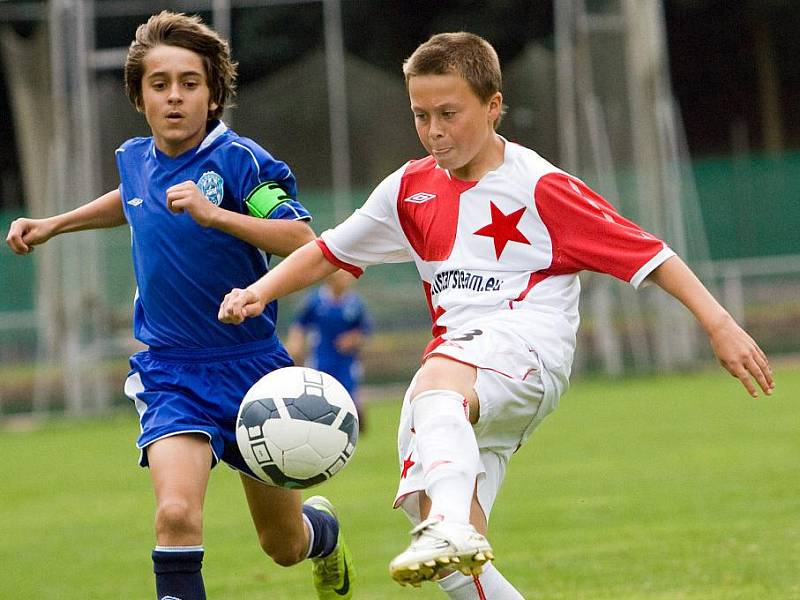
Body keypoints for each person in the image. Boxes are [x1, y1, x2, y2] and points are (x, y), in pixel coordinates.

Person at [218, 31, 774, 599]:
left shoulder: (540, 186)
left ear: (493, 106)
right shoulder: (408, 190)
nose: (434, 131)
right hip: (466, 374)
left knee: (435, 391)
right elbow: (330, 249)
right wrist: (260, 291)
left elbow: (650, 254)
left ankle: (450, 524)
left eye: (449, 114)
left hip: (526, 351)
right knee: (456, 567)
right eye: (420, 115)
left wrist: (720, 324)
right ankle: (450, 526)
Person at [6, 11, 354, 600]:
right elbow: (132, 198)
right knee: (175, 516)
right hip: (172, 372)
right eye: (159, 84)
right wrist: (56, 223)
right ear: (139, 96)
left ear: (213, 93)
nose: (174, 97)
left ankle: (325, 534)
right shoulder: (136, 157)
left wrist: (215, 214)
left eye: (189, 83)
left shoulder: (243, 162)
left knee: (284, 546)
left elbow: (301, 239)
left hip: (253, 372)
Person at [285, 269, 373, 432]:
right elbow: (299, 325)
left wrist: (352, 338)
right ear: (329, 277)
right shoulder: (315, 301)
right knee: (319, 396)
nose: (345, 278)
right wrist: (295, 343)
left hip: (346, 361)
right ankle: (316, 428)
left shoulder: (355, 304)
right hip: (321, 358)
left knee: (349, 396)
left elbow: (364, 331)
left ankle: (352, 426)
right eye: (340, 274)